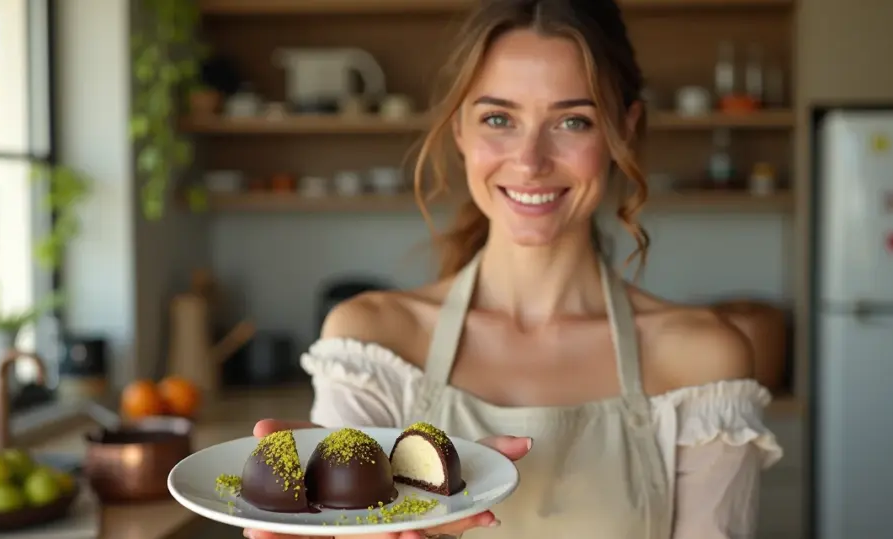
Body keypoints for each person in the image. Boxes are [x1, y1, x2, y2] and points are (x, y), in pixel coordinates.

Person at [245, 0, 783, 538]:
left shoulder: (701, 362)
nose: (530, 161)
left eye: (573, 121)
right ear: (460, 129)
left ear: (624, 129)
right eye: (498, 118)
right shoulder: (373, 346)